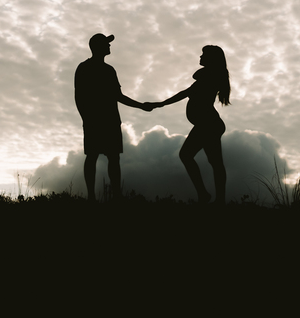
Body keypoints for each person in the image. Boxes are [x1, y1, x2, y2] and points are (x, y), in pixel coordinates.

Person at [74, 33, 152, 201]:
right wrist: (86, 118)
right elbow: (79, 96)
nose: (109, 46)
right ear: (98, 47)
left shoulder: (109, 70)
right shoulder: (84, 68)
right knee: (93, 156)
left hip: (110, 120)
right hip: (96, 120)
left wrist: (141, 106)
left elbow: (118, 96)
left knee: (112, 157)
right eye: (106, 44)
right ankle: (92, 196)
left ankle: (116, 195)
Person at [148, 45, 230, 204]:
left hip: (208, 125)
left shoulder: (208, 77)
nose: (200, 57)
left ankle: (210, 197)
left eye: (203, 55)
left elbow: (185, 93)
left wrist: (160, 104)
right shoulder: (208, 75)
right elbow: (192, 83)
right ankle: (213, 198)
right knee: (213, 162)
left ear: (211, 59)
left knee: (190, 156)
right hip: (209, 124)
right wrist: (160, 104)